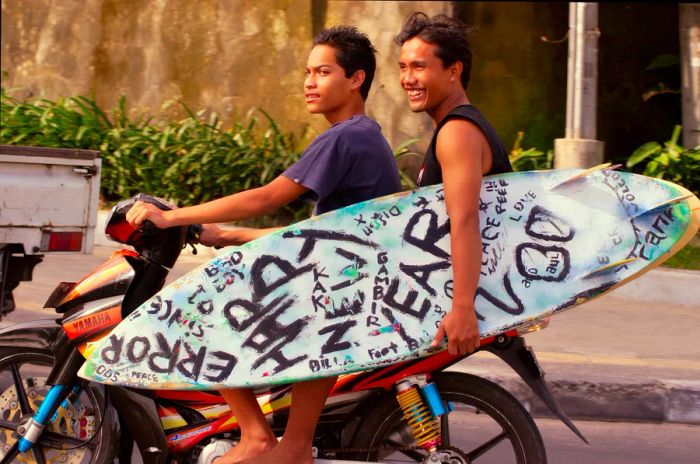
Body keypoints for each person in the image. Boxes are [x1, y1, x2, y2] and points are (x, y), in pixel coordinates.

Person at [126, 26, 401, 464]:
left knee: (202, 314)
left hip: (336, 295)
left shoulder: (345, 136)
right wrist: (226, 235)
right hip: (347, 283)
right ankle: (272, 439)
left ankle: (259, 438)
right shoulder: (365, 134)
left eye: (323, 72)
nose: (309, 83)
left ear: (356, 79)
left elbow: (268, 197)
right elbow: (319, 234)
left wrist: (172, 216)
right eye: (307, 72)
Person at [395, 12, 513, 356]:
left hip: (455, 301)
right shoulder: (457, 126)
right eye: (402, 67)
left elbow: (464, 220)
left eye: (418, 67)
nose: (407, 79)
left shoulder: (457, 132)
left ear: (453, 70)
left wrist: (462, 308)